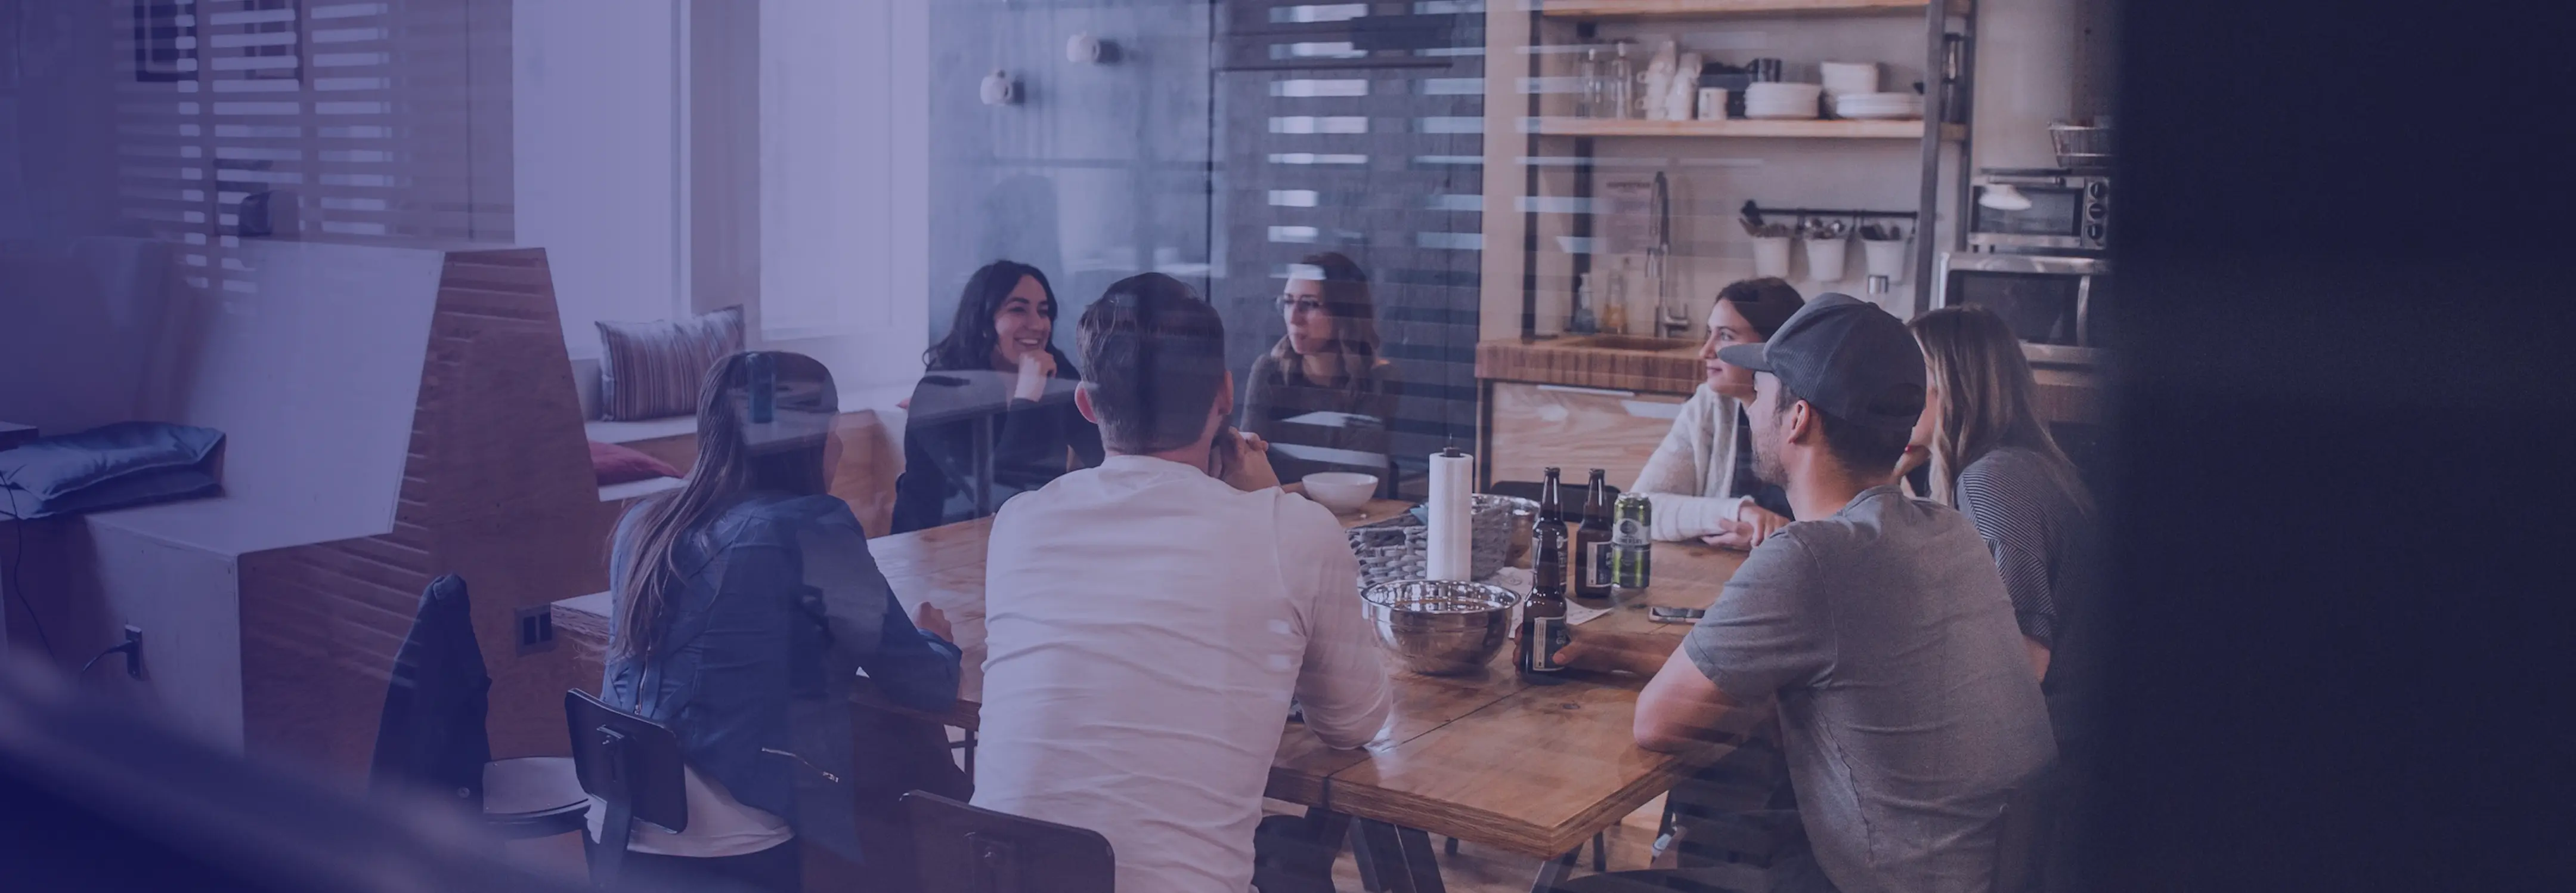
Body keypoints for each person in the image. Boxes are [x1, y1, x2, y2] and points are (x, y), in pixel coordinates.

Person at [1553, 295, 2055, 893]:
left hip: (1883, 881)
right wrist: (1616, 654)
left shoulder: (1811, 556)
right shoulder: (1948, 532)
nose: (1751, 404)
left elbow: (1658, 722)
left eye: (1761, 390)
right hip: (1970, 868)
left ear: (1798, 419)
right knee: (1719, 830)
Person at [973, 273, 1394, 893]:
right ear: (1225, 396)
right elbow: (1354, 722)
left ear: (1087, 404)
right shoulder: (1292, 532)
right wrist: (1271, 500)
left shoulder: (1020, 524)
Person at [599, 351, 966, 893]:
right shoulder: (809, 528)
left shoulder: (643, 524)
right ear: (807, 437)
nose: (838, 444)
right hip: (729, 838)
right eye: (833, 426)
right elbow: (921, 683)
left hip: (619, 821)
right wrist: (937, 639)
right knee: (907, 768)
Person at [1898, 306, 2103, 892]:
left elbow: (2022, 662)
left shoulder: (1994, 479)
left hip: (2048, 767)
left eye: (1909, 378)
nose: (1894, 393)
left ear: (1946, 386)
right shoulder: (2027, 466)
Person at [891, 260, 1106, 533]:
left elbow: (1103, 452)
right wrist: (1028, 398)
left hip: (1026, 535)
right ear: (982, 323)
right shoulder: (940, 391)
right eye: (1018, 310)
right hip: (934, 548)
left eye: (1044, 311)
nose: (1037, 324)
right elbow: (999, 497)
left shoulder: (1055, 370)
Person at [1633, 278, 1806, 549]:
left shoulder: (1813, 417)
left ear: (1772, 347)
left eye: (1725, 336)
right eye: (1710, 333)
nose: (1705, 351)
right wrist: (1739, 512)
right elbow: (1640, 509)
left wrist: (1774, 536)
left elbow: (1842, 531)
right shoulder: (1709, 405)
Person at [1240, 252, 1400, 484]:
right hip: (1277, 514)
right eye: (1288, 302)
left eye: (1309, 304)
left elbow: (1351, 482)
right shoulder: (1270, 371)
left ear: (1343, 313)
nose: (1294, 318)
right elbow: (1246, 468)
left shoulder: (1378, 379)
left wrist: (1272, 494)